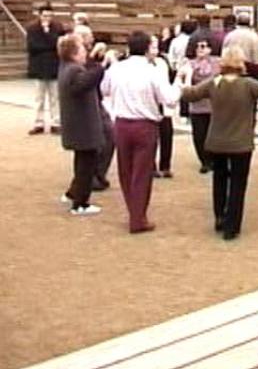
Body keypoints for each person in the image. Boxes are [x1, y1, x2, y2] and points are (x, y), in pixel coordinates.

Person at [181, 46, 258, 240]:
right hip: (241, 142)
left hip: (217, 141)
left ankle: (219, 216)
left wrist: (186, 76)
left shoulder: (214, 82)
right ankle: (232, 226)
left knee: (219, 179)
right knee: (238, 183)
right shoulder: (248, 84)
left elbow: (189, 94)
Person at [101, 30, 183, 233]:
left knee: (126, 171)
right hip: (145, 124)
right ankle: (138, 217)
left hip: (122, 123)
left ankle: (134, 211)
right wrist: (179, 81)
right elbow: (170, 99)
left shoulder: (116, 69)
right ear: (147, 48)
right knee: (142, 172)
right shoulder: (153, 71)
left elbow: (104, 90)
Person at [57, 33, 111, 216]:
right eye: (81, 49)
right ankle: (80, 203)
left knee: (83, 162)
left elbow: (87, 72)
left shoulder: (67, 68)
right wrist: (103, 65)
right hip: (83, 127)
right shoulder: (74, 71)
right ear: (73, 53)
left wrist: (96, 59)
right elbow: (85, 82)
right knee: (86, 165)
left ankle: (75, 194)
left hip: (78, 126)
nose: (85, 52)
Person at [72, 25, 115, 191]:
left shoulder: (85, 55)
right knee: (104, 137)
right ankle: (92, 176)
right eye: (89, 36)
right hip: (89, 103)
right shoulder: (75, 58)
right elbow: (89, 74)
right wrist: (102, 62)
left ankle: (95, 175)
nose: (92, 39)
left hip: (95, 100)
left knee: (106, 137)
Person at [27, 3, 66, 135]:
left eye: (49, 16)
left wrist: (47, 35)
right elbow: (32, 47)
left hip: (54, 66)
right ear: (39, 15)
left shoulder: (58, 27)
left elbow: (59, 45)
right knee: (39, 98)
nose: (47, 18)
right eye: (44, 15)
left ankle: (56, 123)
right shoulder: (32, 28)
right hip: (39, 67)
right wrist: (49, 45)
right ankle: (38, 123)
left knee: (55, 97)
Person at [188, 36, 221, 174]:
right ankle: (205, 161)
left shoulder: (217, 62)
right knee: (199, 135)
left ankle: (215, 160)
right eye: (197, 46)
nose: (200, 49)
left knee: (214, 134)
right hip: (197, 105)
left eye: (203, 46)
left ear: (210, 48)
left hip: (214, 105)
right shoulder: (189, 64)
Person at [148, 36, 175, 179]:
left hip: (163, 102)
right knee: (151, 137)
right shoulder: (142, 65)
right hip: (149, 104)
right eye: (152, 47)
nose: (155, 50)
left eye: (156, 46)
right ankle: (151, 166)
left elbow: (167, 81)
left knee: (167, 133)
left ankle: (165, 166)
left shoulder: (162, 62)